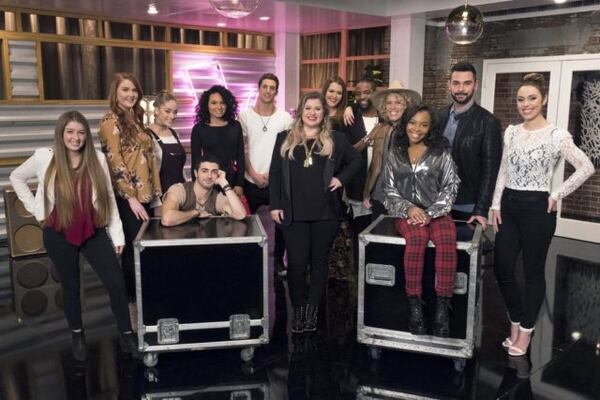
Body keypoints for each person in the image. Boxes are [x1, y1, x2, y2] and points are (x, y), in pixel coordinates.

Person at [9, 111, 141, 361]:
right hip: (58, 233)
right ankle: (78, 336)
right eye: (70, 132)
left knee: (115, 283)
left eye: (81, 132)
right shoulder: (44, 157)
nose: (76, 137)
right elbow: (17, 177)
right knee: (71, 287)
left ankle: (126, 335)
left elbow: (109, 198)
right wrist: (36, 210)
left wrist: (118, 235)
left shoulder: (98, 159)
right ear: (61, 133)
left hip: (92, 230)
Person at [491, 73, 594, 356]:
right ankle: (516, 318)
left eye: (532, 98)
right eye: (521, 99)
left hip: (538, 209)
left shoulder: (557, 135)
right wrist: (495, 204)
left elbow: (586, 167)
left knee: (533, 272)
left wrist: (556, 194)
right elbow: (503, 170)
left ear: (544, 99)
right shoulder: (511, 131)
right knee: (502, 268)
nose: (526, 104)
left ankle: (525, 331)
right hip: (508, 207)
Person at [269, 92, 361, 334]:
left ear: (324, 113)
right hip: (293, 213)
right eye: (308, 108)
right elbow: (275, 174)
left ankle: (311, 312)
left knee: (319, 263)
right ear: (301, 111)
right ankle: (298, 310)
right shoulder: (284, 138)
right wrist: (275, 204)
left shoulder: (336, 139)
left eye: (317, 109)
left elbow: (357, 161)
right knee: (297, 265)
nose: (312, 112)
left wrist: (341, 179)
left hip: (325, 214)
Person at [382, 104, 460, 337]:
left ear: (431, 128)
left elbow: (451, 185)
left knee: (447, 241)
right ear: (405, 124)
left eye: (424, 124)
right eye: (413, 123)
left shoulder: (440, 152)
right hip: (406, 212)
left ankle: (442, 308)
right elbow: (389, 188)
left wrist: (431, 212)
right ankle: (415, 305)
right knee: (417, 240)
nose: (417, 129)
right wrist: (409, 209)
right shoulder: (395, 152)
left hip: (437, 212)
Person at [98, 72, 161, 306]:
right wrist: (130, 198)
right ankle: (131, 302)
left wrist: (157, 196)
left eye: (134, 90)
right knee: (133, 247)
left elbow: (150, 158)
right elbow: (115, 163)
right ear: (115, 92)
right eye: (125, 89)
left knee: (144, 245)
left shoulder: (135, 119)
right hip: (128, 197)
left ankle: (143, 295)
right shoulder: (109, 122)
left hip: (145, 194)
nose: (131, 94)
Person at [240, 73, 293, 276]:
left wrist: (272, 174)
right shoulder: (245, 117)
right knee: (246, 224)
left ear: (276, 92)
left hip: (275, 181)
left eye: (272, 87)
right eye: (265, 87)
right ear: (259, 88)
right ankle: (248, 258)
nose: (268, 91)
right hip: (250, 180)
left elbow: (286, 151)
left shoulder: (285, 118)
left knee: (280, 223)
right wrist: (252, 173)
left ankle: (278, 261)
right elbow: (242, 150)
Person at [438, 62, 502, 226]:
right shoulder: (437, 116)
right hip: (435, 201)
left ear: (476, 85)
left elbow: (490, 171)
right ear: (449, 85)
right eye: (456, 83)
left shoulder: (488, 122)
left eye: (467, 83)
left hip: (466, 204)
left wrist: (481, 209)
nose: (461, 89)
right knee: (432, 251)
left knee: (463, 250)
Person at [362, 81, 421, 219]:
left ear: (406, 105)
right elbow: (376, 165)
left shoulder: (413, 131)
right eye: (389, 103)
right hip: (379, 197)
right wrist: (367, 192)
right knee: (377, 238)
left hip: (404, 200)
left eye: (398, 103)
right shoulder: (383, 129)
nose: (393, 107)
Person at [161, 154, 247, 226]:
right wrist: (195, 213)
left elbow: (240, 215)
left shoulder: (217, 198)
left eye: (214, 171)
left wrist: (224, 184)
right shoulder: (179, 190)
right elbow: (167, 219)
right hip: (177, 243)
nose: (209, 176)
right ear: (195, 173)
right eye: (204, 171)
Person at [191, 85, 245, 196]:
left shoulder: (235, 126)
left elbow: (240, 157)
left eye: (222, 103)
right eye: (214, 103)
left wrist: (239, 184)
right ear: (207, 105)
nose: (219, 107)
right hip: (207, 181)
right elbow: (195, 162)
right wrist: (196, 186)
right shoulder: (199, 129)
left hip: (231, 181)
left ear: (228, 104)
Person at [147, 90, 185, 215]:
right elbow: (148, 174)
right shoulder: (146, 135)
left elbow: (181, 170)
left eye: (175, 112)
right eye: (167, 111)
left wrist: (188, 192)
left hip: (180, 194)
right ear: (156, 110)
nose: (172, 116)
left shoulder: (175, 133)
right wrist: (156, 203)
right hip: (161, 196)